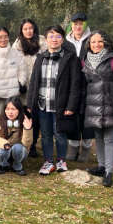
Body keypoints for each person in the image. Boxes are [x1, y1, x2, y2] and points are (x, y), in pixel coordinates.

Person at [27, 25, 81, 175]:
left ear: (62, 39)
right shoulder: (40, 58)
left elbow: (75, 85)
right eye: (51, 36)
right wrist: (30, 104)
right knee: (45, 135)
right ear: (46, 39)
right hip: (43, 105)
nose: (54, 39)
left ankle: (61, 160)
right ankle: (48, 161)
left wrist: (71, 105)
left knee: (60, 134)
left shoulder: (70, 58)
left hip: (61, 105)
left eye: (58, 36)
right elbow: (33, 83)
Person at [82, 31, 113, 187]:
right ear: (88, 44)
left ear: (106, 42)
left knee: (110, 139)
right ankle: (101, 166)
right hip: (94, 106)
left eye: (99, 41)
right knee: (98, 138)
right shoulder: (85, 60)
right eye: (93, 42)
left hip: (111, 106)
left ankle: (109, 172)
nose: (96, 45)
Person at [11, 18, 47, 157]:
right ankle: (22, 143)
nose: (28, 31)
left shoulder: (43, 43)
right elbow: (14, 66)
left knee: (37, 117)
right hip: (23, 87)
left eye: (30, 28)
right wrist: (19, 83)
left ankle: (33, 144)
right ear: (21, 30)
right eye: (25, 29)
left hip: (40, 85)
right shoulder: (17, 46)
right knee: (25, 115)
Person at [65, 12, 94, 162]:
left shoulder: (92, 40)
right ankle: (73, 146)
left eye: (80, 24)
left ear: (85, 24)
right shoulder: (66, 42)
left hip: (88, 84)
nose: (78, 26)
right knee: (72, 116)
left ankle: (86, 147)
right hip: (71, 85)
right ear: (71, 25)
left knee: (87, 117)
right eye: (75, 24)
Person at [0, 97, 33, 176]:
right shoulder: (0, 121)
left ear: (19, 110)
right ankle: (3, 165)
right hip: (6, 150)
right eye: (7, 109)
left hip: (19, 152)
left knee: (17, 147)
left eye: (13, 109)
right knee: (2, 148)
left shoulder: (25, 121)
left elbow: (27, 145)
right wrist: (4, 144)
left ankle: (17, 166)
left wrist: (27, 129)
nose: (10, 112)